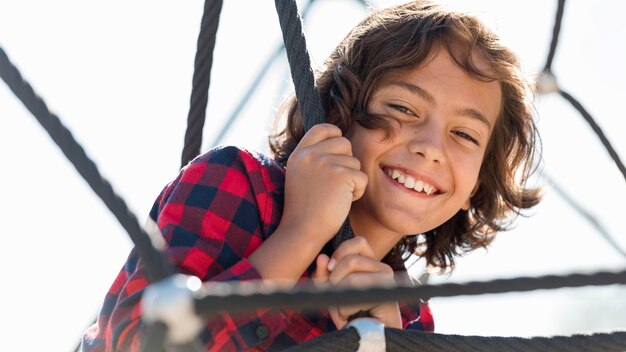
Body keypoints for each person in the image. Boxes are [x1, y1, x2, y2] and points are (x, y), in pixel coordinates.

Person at [82, 0, 541, 350]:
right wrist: (300, 233)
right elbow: (137, 340)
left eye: (464, 135)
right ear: (339, 113)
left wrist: (385, 342)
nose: (431, 147)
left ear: (476, 185)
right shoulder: (239, 186)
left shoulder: (408, 317)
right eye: (402, 108)